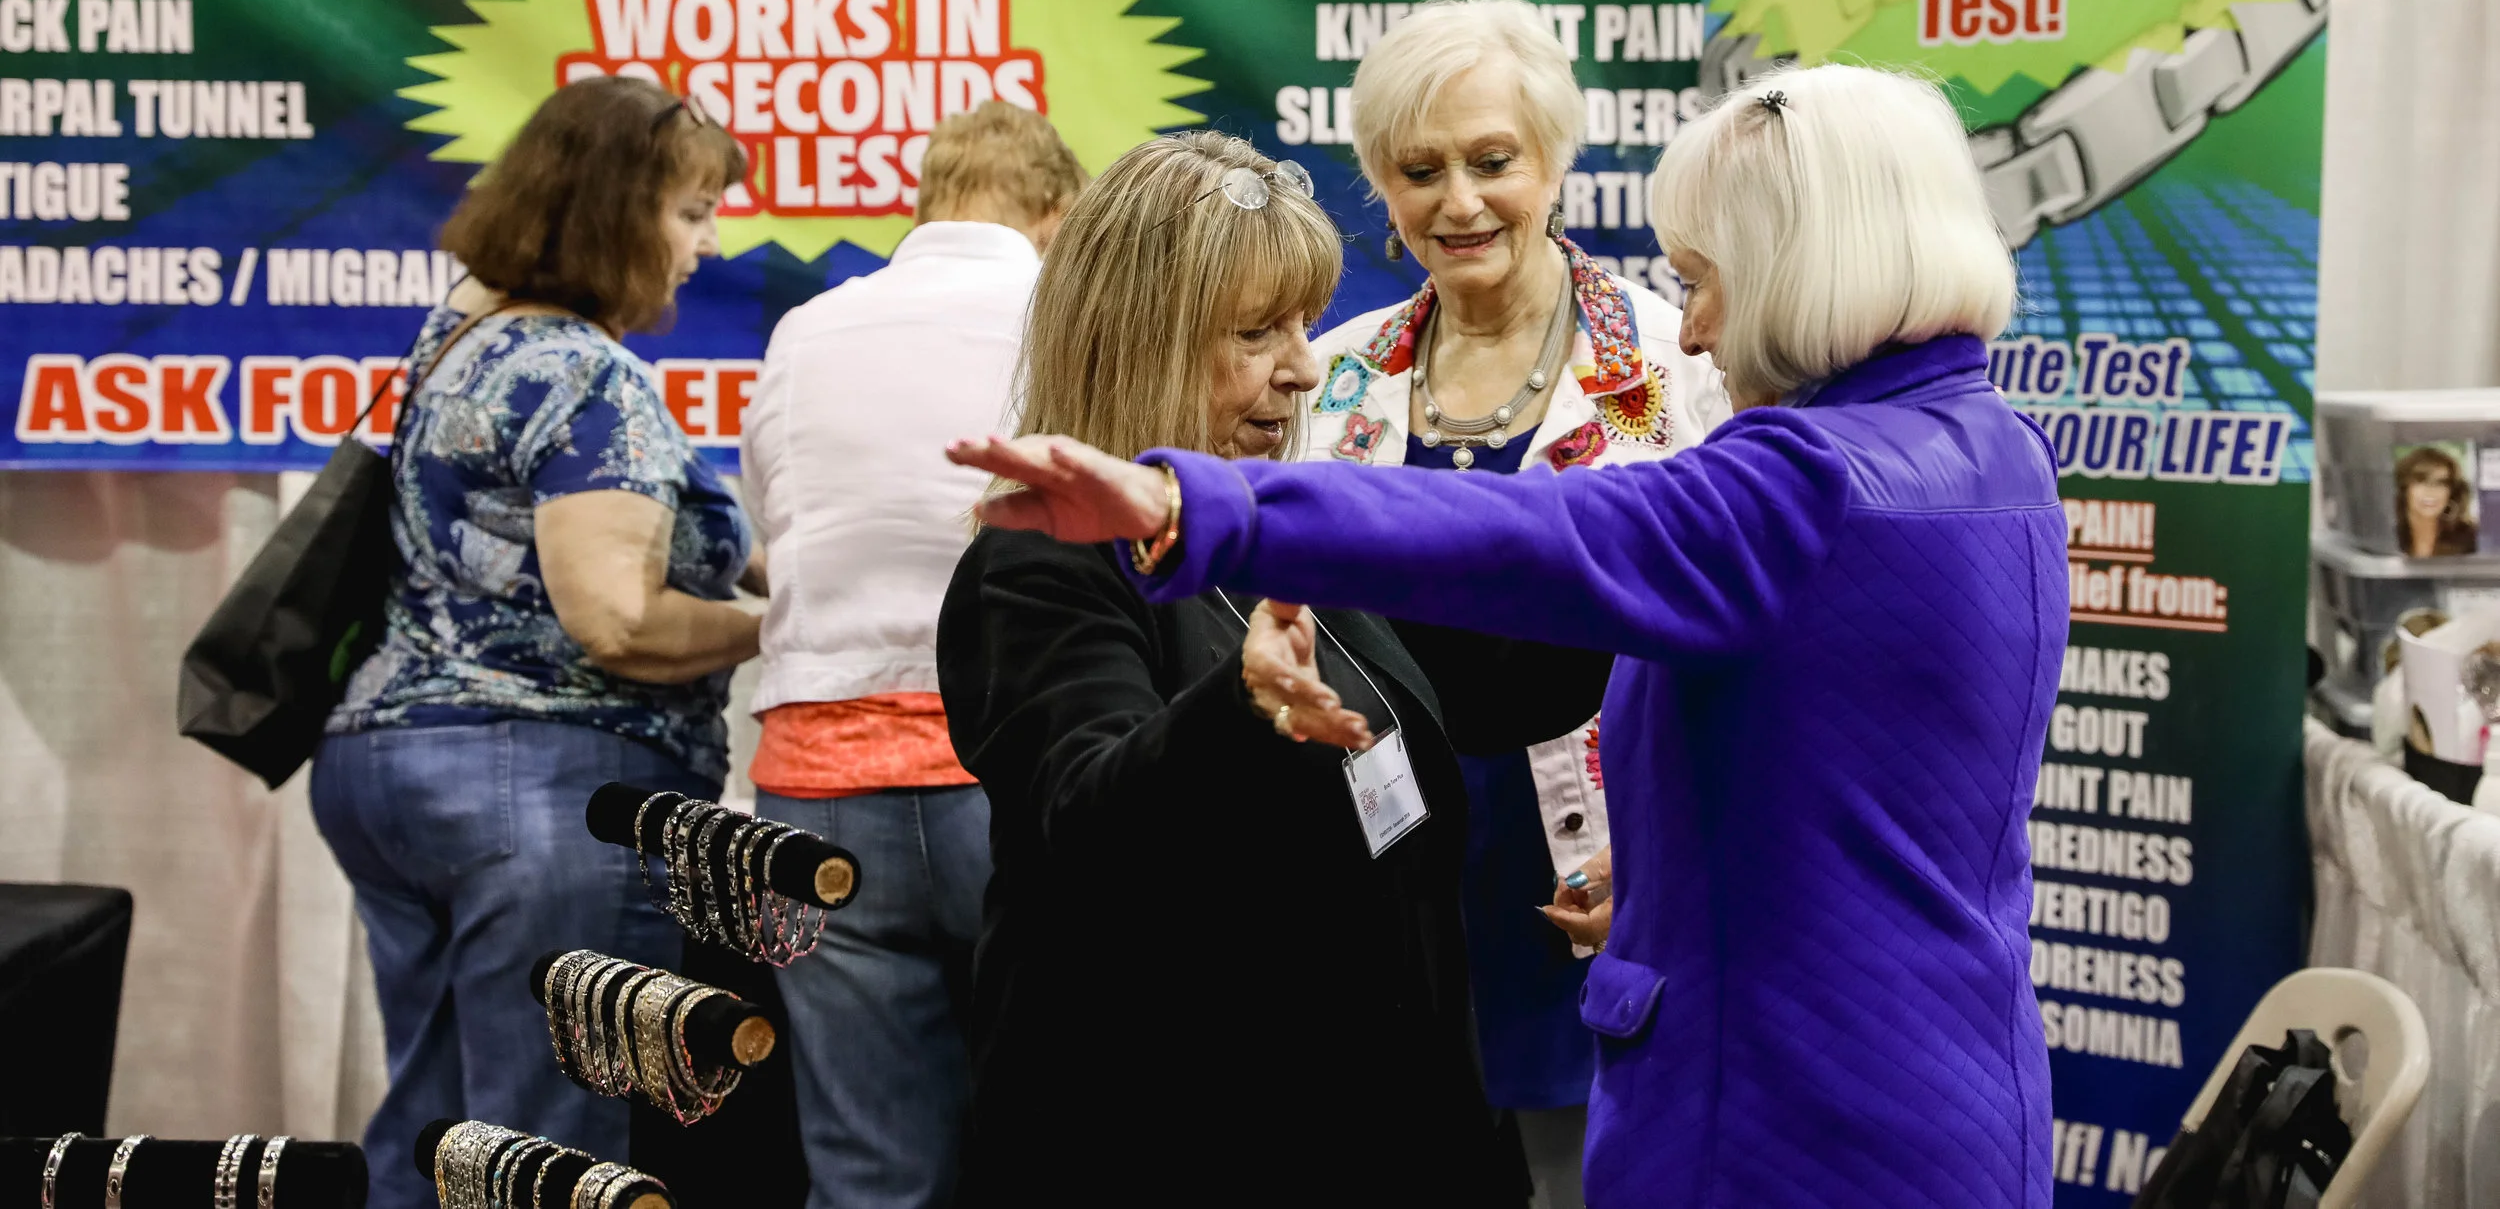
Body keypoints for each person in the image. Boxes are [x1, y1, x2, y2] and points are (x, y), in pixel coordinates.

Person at [950, 65, 2067, 1209]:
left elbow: (1534, 554)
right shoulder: (1996, 450)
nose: (1691, 329)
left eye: (1702, 282)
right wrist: (1679, 859)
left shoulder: (1809, 480)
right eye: (1258, 330)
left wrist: (1203, 510)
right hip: (1930, 1087)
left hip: (1795, 1116)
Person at [933, 132, 1613, 1208]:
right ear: (1139, 339)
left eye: (1302, 324)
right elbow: (1086, 832)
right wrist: (1241, 707)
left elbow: (1499, 674)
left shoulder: (1280, 530)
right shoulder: (1041, 562)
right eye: (1256, 332)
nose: (1301, 367)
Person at [312, 76, 760, 1209]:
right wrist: (784, 627)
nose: (707, 244)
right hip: (544, 789)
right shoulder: (584, 372)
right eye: (690, 212)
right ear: (614, 212)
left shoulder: (459, 336)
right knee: (549, 1151)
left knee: (434, 1136)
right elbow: (617, 620)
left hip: (389, 769)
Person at [1306, 0, 1725, 1196]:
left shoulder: (1671, 367)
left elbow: (1733, 640)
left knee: (1585, 1176)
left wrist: (1669, 858)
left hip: (1599, 863)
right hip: (1385, 861)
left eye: (1492, 161)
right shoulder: (1333, 376)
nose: (1459, 202)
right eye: (1418, 170)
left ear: (1554, 160)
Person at [739, 103, 1085, 1209]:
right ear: (1056, 211)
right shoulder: (1068, 316)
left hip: (818, 790)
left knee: (867, 1170)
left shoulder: (805, 330)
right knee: (1062, 1143)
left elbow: (772, 534)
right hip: (1014, 773)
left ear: (929, 202)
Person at [2394, 444, 2477, 557]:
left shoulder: (2472, 537)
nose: (2431, 491)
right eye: (2421, 481)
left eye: (2440, 483)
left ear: (2451, 492)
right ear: (2404, 489)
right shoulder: (2385, 535)